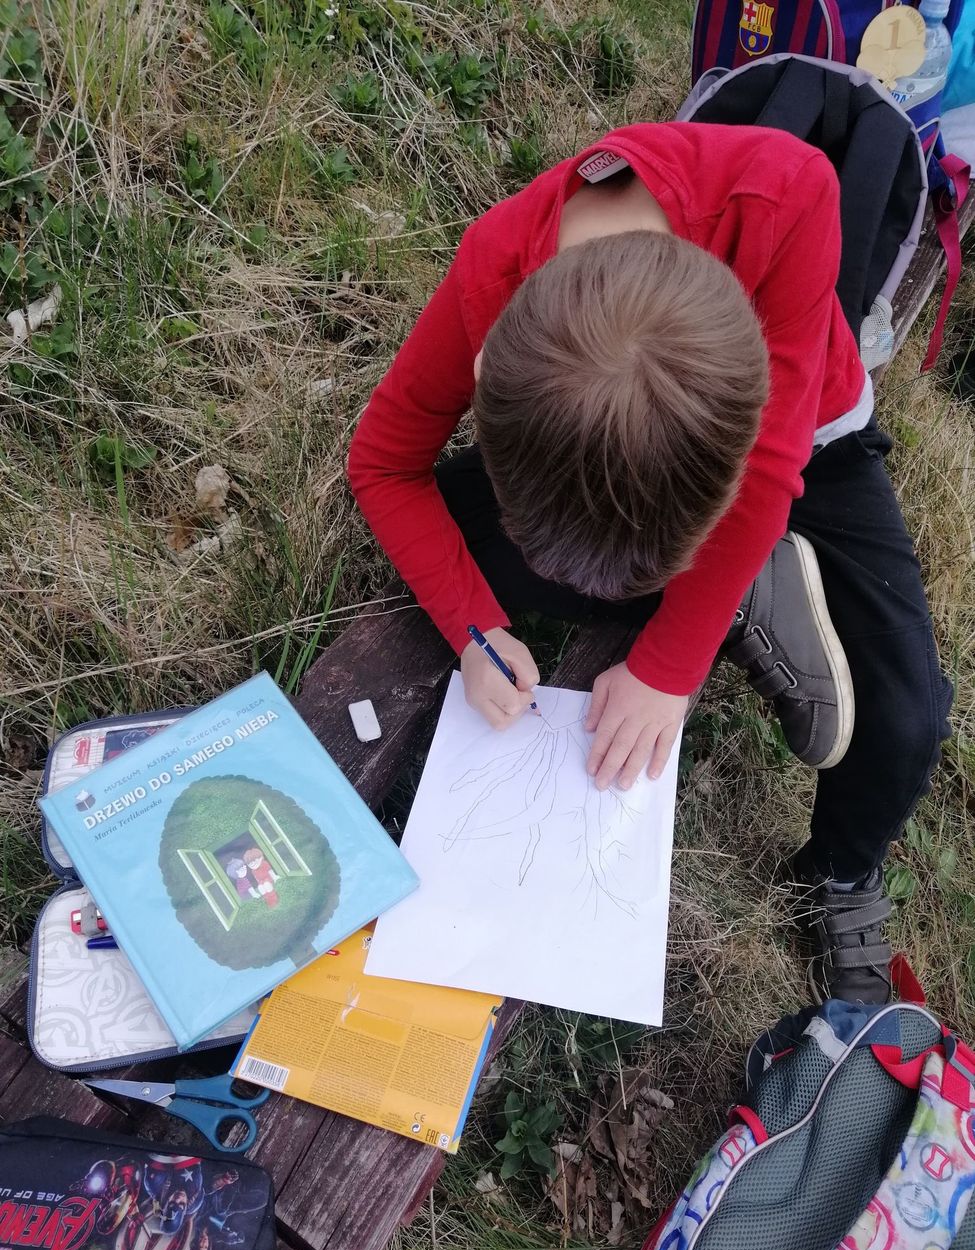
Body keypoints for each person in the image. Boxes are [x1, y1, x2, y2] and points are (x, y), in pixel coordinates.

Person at [348, 123, 952, 1005]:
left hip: (807, 449)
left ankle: (840, 871)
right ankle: (743, 592)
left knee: (903, 720)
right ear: (487, 373)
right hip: (630, 448)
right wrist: (475, 630)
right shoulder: (492, 272)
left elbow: (770, 473)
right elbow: (382, 461)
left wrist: (670, 665)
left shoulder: (789, 192)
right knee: (458, 551)